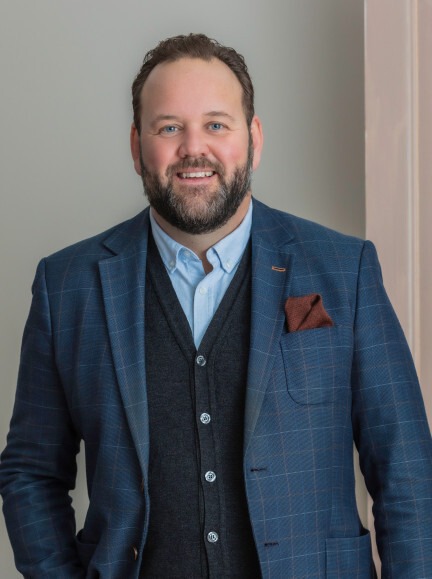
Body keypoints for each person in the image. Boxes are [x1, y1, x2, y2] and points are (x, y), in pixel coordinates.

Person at [1, 33, 431, 579]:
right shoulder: (67, 287)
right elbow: (31, 472)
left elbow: (405, 469)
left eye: (216, 125)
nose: (193, 148)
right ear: (136, 145)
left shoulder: (346, 270)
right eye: (169, 128)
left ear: (254, 138)